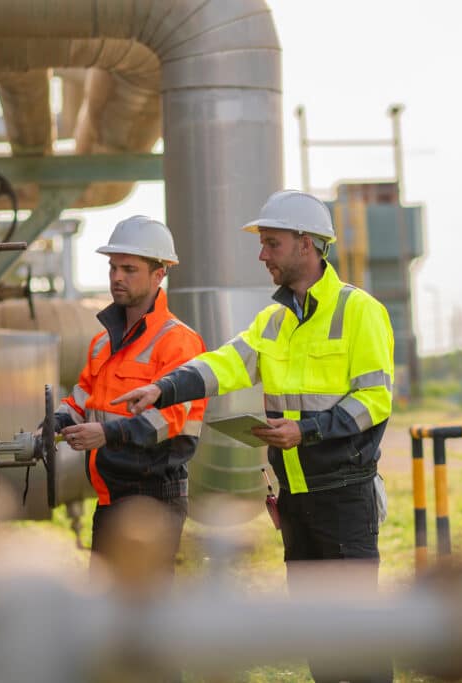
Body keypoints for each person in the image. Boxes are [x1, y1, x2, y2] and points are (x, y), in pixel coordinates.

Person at [114, 190, 395, 683]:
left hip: (344, 497)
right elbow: (225, 364)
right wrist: (162, 388)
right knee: (317, 642)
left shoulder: (360, 311)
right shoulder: (274, 320)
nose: (262, 254)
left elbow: (374, 400)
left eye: (272, 243)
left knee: (357, 640)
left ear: (306, 245)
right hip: (295, 499)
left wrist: (305, 431)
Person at [53, 215, 207, 570]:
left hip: (153, 497)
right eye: (112, 268)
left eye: (129, 269)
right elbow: (82, 396)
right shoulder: (103, 341)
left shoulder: (178, 342)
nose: (117, 277)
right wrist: (56, 421)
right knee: (108, 609)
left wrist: (107, 434)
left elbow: (171, 419)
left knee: (144, 611)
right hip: (111, 496)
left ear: (159, 274)